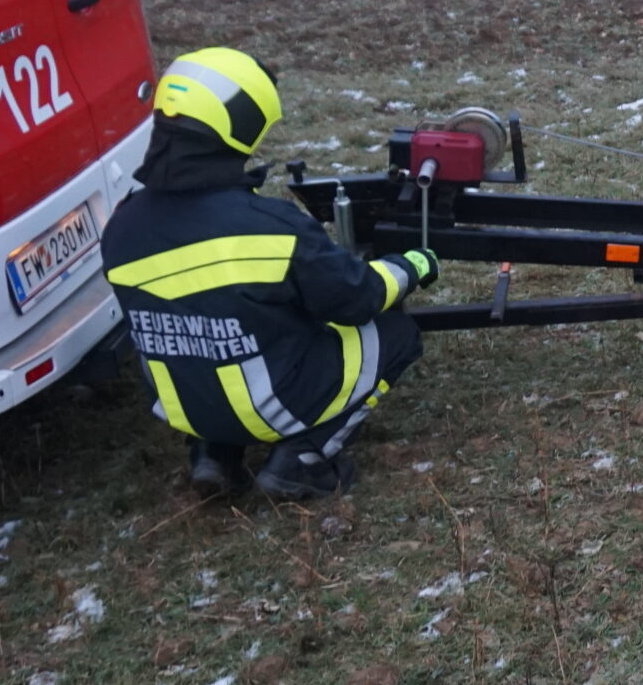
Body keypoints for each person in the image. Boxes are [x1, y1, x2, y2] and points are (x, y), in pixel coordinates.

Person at [102, 49, 438, 502]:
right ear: (241, 126)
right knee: (396, 334)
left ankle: (212, 455)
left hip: (184, 408)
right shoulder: (271, 228)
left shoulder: (121, 226)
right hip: (269, 405)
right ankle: (302, 461)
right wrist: (413, 265)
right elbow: (357, 298)